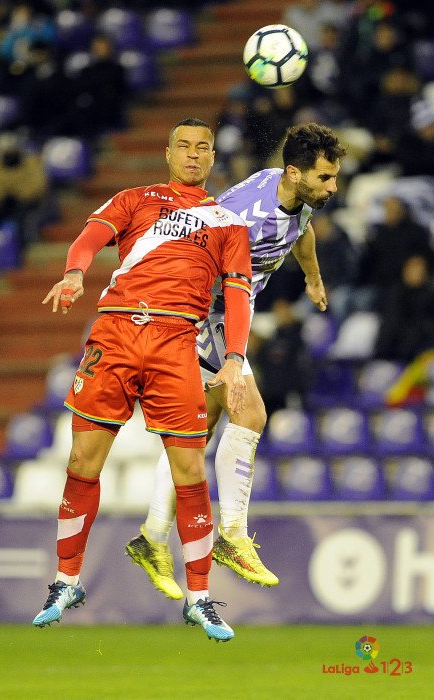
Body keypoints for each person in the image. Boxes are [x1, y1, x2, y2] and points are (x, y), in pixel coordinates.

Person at [32, 118, 253, 643]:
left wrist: (234, 357)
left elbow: (238, 292)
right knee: (82, 461)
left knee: (189, 471)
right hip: (115, 334)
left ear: (213, 158)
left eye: (203, 148)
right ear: (168, 153)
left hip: (176, 342)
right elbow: (89, 238)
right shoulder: (135, 199)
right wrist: (74, 272)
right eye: (184, 146)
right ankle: (66, 581)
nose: (193, 154)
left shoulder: (227, 223)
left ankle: (199, 597)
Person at [126, 122, 346, 597]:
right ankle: (232, 536)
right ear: (295, 172)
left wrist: (312, 277)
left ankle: (152, 536)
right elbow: (191, 257)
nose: (333, 187)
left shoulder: (289, 189)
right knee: (251, 413)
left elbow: (302, 230)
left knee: (197, 431)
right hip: (199, 309)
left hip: (224, 310)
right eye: (326, 178)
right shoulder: (246, 216)